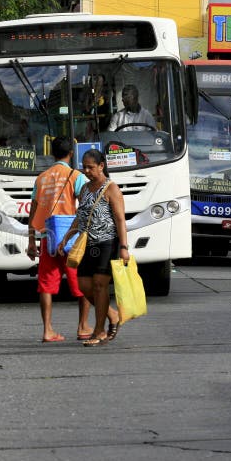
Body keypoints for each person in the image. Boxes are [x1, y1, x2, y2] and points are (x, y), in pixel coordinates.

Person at [57, 149, 129, 347]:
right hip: (87, 243)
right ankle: (112, 315)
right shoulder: (85, 189)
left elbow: (120, 219)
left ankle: (99, 331)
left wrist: (124, 247)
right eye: (84, 167)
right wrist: (67, 236)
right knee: (83, 286)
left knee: (99, 285)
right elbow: (81, 216)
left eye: (90, 167)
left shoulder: (111, 189)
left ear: (101, 166)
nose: (86, 170)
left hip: (107, 243)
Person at [27, 137, 93, 342]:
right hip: (70, 239)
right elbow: (86, 207)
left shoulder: (42, 178)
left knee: (46, 285)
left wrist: (31, 241)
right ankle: (83, 327)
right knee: (83, 283)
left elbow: (33, 210)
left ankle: (47, 330)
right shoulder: (76, 175)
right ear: (71, 154)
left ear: (52, 153)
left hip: (49, 238)